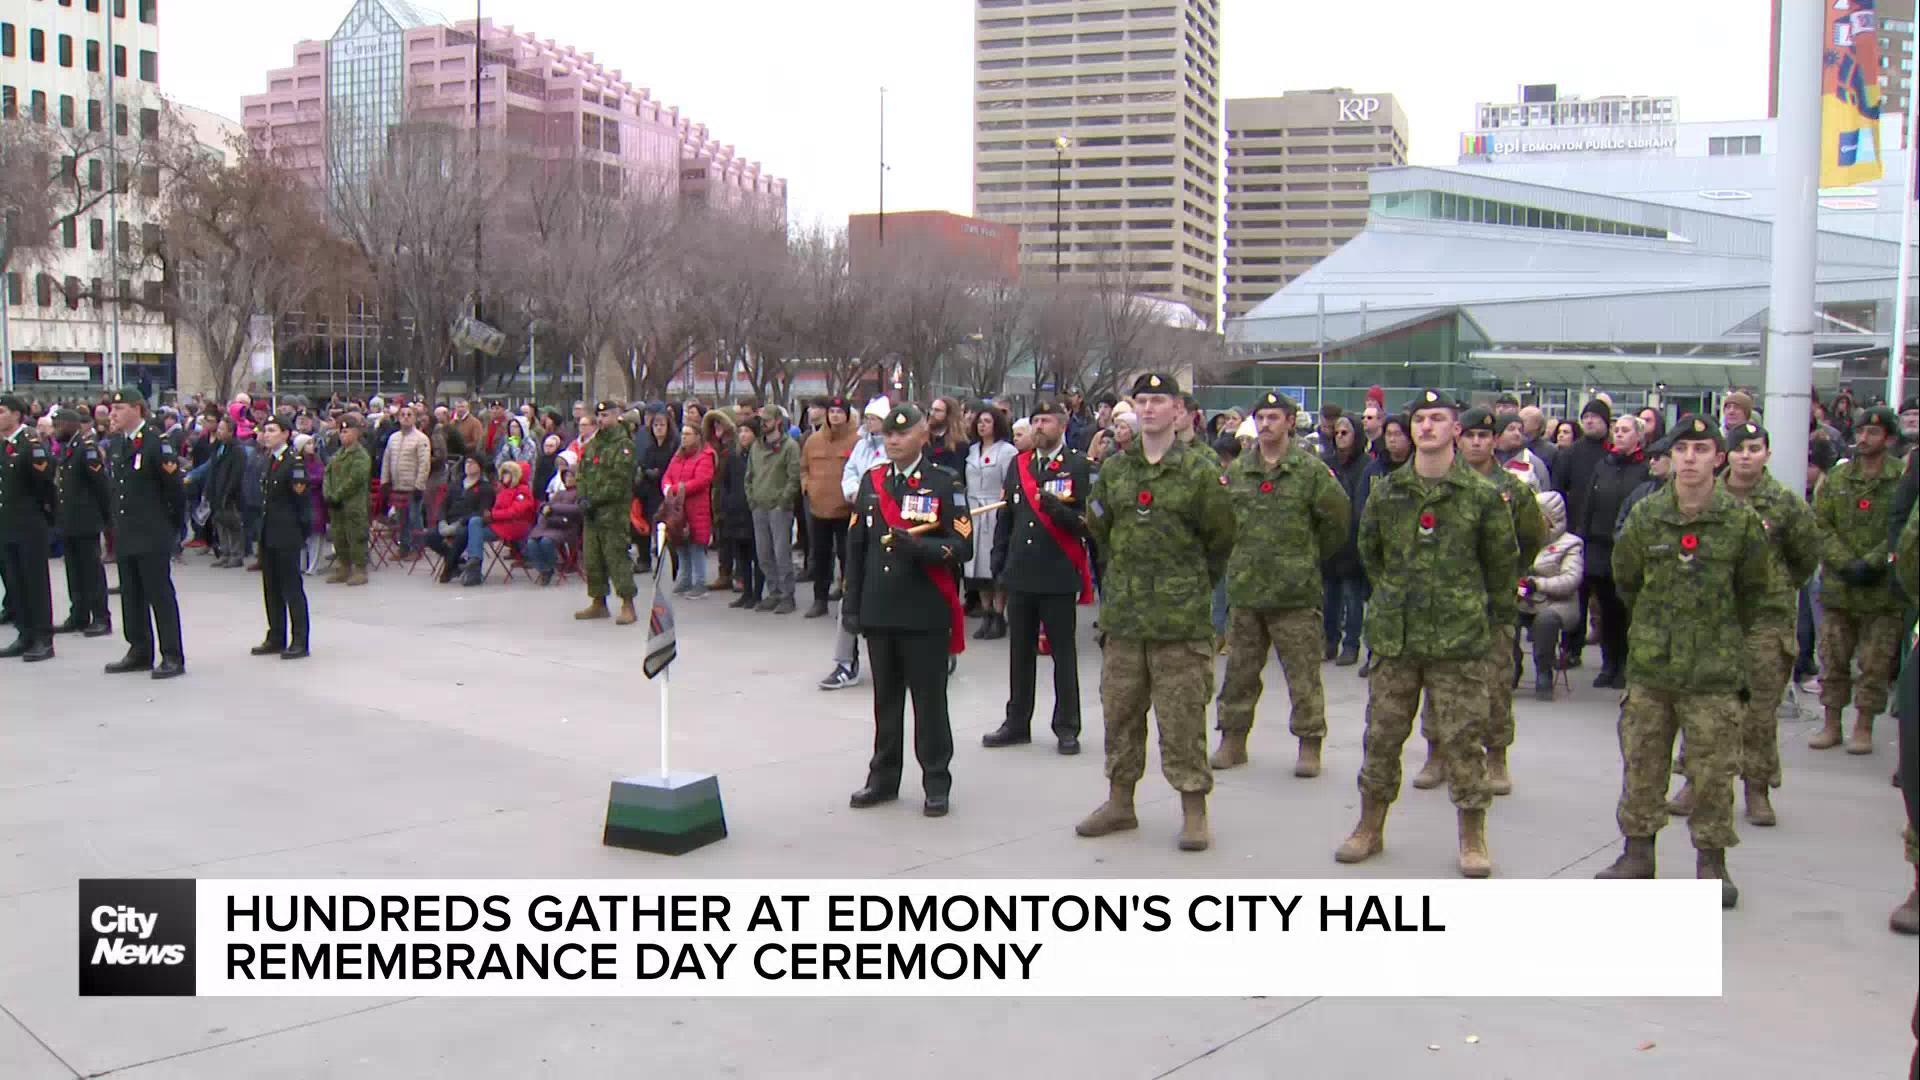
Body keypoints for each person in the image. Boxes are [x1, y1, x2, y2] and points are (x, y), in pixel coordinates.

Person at [1335, 389, 1515, 878]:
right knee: (1382, 736)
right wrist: (1396, 596)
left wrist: (1487, 620)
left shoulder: (1481, 497)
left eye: (1439, 419)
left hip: (1458, 640)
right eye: (1420, 420)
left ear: (1456, 429)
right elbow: (1369, 553)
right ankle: (1369, 826)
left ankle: (1472, 836)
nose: (1428, 427)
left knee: (1463, 741)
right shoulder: (1387, 493)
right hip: (1398, 637)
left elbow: (1501, 567)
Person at [1596, 415, 1769, 908]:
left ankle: (1712, 863)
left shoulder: (1739, 522)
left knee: (1713, 772)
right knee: (1643, 762)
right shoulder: (1648, 517)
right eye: (1682, 449)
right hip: (1653, 666)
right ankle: (1637, 854)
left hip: (1713, 672)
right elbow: (1626, 579)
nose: (1690, 458)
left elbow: (1754, 591)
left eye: (1701, 448)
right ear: (1669, 457)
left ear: (1719, 456)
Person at [1076, 373, 1236, 852]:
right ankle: (1120, 803)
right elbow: (1100, 527)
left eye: (1158, 401)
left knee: (1182, 717)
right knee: (1120, 714)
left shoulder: (1200, 471)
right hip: (1125, 619)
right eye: (1141, 400)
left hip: (1179, 620)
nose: (1148, 409)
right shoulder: (1116, 470)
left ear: (1178, 411)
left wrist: (1186, 584)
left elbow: (1220, 539)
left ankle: (1193, 809)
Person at [1664, 421, 1820, 827]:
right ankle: (1695, 781)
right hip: (1711, 619)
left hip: (1765, 622)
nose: (1747, 455)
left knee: (1758, 712)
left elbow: (1804, 560)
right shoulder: (1703, 498)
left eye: (1755, 447)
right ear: (1725, 456)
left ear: (1767, 453)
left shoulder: (1785, 504)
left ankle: (1757, 788)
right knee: (1701, 707)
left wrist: (1775, 589)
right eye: (1739, 448)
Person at [1406, 407, 1546, 796]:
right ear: (1457, 437)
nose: (1477, 442)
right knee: (1437, 681)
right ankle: (1436, 754)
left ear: (1495, 441)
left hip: (1491, 603)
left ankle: (1496, 756)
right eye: (1469, 435)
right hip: (1443, 604)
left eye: (1485, 436)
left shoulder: (1512, 489)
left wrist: (1508, 577)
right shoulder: (1440, 486)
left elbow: (1532, 537)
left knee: (1496, 682)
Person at [842, 404, 973, 817]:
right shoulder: (872, 481)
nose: (893, 441)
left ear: (922, 436)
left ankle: (936, 782)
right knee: (886, 703)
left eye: (902, 434)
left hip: (924, 610)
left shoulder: (943, 482)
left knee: (930, 703)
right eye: (888, 435)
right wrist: (852, 608)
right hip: (880, 610)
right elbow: (856, 549)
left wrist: (920, 548)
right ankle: (882, 778)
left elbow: (962, 545)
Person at [1212, 391, 1350, 778]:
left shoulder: (1309, 472)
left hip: (1295, 593)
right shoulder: (1238, 472)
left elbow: (1337, 522)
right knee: (1239, 671)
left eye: (1275, 417)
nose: (1267, 424)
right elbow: (1222, 522)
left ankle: (1309, 743)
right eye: (1261, 417)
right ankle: (1233, 739)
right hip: (1247, 589)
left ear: (1290, 421)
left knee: (1302, 674)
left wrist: (1305, 557)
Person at [983, 401, 1094, 754]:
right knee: (1020, 652)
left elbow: (1088, 523)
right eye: (1035, 421)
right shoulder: (1020, 465)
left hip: (1058, 570)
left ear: (1062, 425)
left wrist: (1059, 510)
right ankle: (1017, 721)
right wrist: (998, 561)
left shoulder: (1078, 466)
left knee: (1062, 652)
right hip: (1021, 571)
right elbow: (1007, 518)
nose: (1039, 426)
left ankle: (1067, 726)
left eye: (1046, 420)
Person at [1810, 405, 1907, 754]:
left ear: (1890, 438)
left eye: (1874, 433)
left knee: (1874, 662)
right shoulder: (1837, 478)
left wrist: (1873, 561)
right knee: (1833, 658)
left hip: (1882, 588)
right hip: (1840, 585)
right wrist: (1845, 561)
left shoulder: (1901, 477)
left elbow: (1904, 527)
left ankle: (1864, 726)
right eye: (1861, 432)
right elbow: (1820, 525)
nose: (1864, 439)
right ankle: (1831, 723)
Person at [102, 388, 185, 679]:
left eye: (120, 408)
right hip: (126, 532)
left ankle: (172, 654)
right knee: (131, 595)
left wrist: (170, 527)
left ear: (137, 409)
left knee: (159, 595)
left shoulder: (156, 444)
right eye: (112, 409)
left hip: (151, 532)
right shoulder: (118, 444)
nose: (113, 414)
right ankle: (139, 649)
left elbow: (174, 491)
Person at [1580, 415, 1651, 689]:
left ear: (1638, 437)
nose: (1618, 435)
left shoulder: (1643, 468)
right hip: (1600, 547)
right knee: (1607, 610)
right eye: (1616, 431)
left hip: (1629, 548)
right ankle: (1608, 664)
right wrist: (1583, 538)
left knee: (1627, 611)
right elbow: (1589, 503)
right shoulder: (1603, 466)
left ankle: (1625, 664)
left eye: (1625, 431)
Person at [1554, 398, 1614, 670]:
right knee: (1574, 595)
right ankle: (1570, 649)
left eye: (1596, 417)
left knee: (1607, 600)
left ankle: (1610, 658)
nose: (1590, 421)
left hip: (1604, 537)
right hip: (1574, 532)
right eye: (1586, 416)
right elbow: (1557, 491)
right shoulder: (1570, 453)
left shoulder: (1611, 453)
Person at [0, 394, 58, 662]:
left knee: (34, 581)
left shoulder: (31, 445)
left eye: (1, 411)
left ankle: (43, 638)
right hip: (6, 524)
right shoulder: (3, 445)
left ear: (15, 414)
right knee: (15, 582)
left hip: (29, 523)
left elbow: (44, 484)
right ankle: (25, 633)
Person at [250, 416, 313, 660]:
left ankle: (299, 639)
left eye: (272, 430)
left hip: (287, 533)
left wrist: (300, 533)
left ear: (286, 434)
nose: (267, 434)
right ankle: (276, 635)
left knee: (291, 587)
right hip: (269, 532)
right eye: (265, 430)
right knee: (271, 587)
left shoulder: (293, 463)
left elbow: (301, 503)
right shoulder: (269, 461)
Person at [574, 401, 639, 625]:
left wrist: (594, 500)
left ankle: (627, 604)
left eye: (606, 416)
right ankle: (598, 602)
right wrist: (582, 497)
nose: (601, 420)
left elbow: (619, 482)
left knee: (617, 558)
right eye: (599, 416)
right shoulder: (594, 445)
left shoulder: (624, 445)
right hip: (592, 514)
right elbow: (581, 472)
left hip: (613, 514)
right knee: (593, 559)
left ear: (617, 416)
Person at [50, 406, 111, 637]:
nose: (55, 430)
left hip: (86, 521)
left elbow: (100, 486)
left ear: (71, 425)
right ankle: (79, 614)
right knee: (74, 571)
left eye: (59, 425)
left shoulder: (87, 450)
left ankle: (101, 617)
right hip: (69, 521)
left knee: (91, 571)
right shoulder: (68, 449)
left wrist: (106, 518)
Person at [1519, 490, 1585, 700]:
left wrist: (1538, 584)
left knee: (1545, 621)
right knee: (1503, 615)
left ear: (1552, 518)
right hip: (1526, 600)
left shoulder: (1571, 544)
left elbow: (1571, 580)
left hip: (1558, 603)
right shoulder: (1524, 540)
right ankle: (1510, 668)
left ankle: (1544, 671)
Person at [801, 397, 857, 618]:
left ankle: (847, 602)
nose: (835, 415)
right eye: (832, 411)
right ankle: (819, 600)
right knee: (821, 556)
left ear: (847, 415)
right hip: (818, 508)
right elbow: (803, 468)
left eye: (839, 412)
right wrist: (808, 487)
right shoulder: (814, 440)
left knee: (847, 556)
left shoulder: (856, 440)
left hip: (845, 510)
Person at [1322, 414, 1370, 664]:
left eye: (1345, 432)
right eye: (1337, 433)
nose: (1340, 437)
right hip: (1330, 541)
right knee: (1329, 597)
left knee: (1352, 597)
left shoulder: (1365, 465)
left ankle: (1350, 645)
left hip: (1353, 541)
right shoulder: (1326, 463)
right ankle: (1329, 641)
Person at [963, 406, 1014, 639]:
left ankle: (999, 614)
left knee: (996, 565)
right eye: (979, 421)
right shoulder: (972, 450)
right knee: (978, 567)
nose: (982, 425)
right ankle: (986, 613)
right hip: (974, 510)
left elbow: (1009, 483)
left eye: (987, 421)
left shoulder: (1006, 451)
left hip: (995, 510)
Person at [748, 405, 802, 614]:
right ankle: (774, 591)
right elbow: (749, 475)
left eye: (767, 420)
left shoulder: (790, 447)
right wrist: (752, 498)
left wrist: (783, 500)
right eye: (761, 420)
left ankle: (787, 595)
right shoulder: (756, 446)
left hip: (779, 507)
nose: (763, 424)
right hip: (759, 506)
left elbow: (793, 477)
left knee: (781, 553)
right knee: (764, 554)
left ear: (778, 421)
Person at [661, 425, 717, 598]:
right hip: (678, 509)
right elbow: (667, 475)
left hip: (696, 509)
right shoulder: (678, 456)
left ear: (698, 436)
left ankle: (699, 583)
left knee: (696, 547)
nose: (683, 437)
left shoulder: (706, 456)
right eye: (682, 434)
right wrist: (667, 488)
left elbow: (701, 480)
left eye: (688, 434)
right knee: (681, 546)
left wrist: (675, 489)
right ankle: (684, 580)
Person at [426, 456, 494, 585]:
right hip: (449, 520)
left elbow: (481, 512)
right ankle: (457, 563)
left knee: (461, 535)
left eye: (472, 462)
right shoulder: (456, 484)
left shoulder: (485, 488)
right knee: (430, 536)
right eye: (467, 462)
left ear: (479, 467)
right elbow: (444, 505)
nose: (468, 465)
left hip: (466, 523)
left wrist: (460, 522)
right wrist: (442, 521)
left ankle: (448, 568)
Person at [322, 412, 372, 586]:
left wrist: (337, 494)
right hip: (337, 505)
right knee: (339, 536)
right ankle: (343, 567)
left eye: (347, 431)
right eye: (341, 432)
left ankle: (360, 569)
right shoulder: (338, 454)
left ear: (356, 433)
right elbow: (327, 473)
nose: (343, 435)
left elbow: (355, 479)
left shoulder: (360, 455)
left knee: (356, 536)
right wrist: (328, 492)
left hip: (353, 504)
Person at [380, 405, 431, 555]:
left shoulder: (421, 438)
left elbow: (424, 463)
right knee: (401, 519)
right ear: (398, 418)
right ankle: (404, 548)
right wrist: (385, 481)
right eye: (402, 414)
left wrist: (419, 485)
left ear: (415, 418)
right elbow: (386, 460)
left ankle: (418, 548)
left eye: (409, 414)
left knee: (414, 518)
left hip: (413, 486)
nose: (406, 417)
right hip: (397, 485)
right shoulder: (393, 438)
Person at [524, 461, 582, 587]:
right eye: (566, 476)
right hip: (550, 524)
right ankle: (544, 569)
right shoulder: (560, 493)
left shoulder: (580, 493)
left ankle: (550, 567)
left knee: (546, 541)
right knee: (531, 542)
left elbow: (577, 510)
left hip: (566, 526)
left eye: (571, 476)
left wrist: (554, 508)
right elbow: (547, 504)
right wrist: (544, 507)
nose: (568, 479)